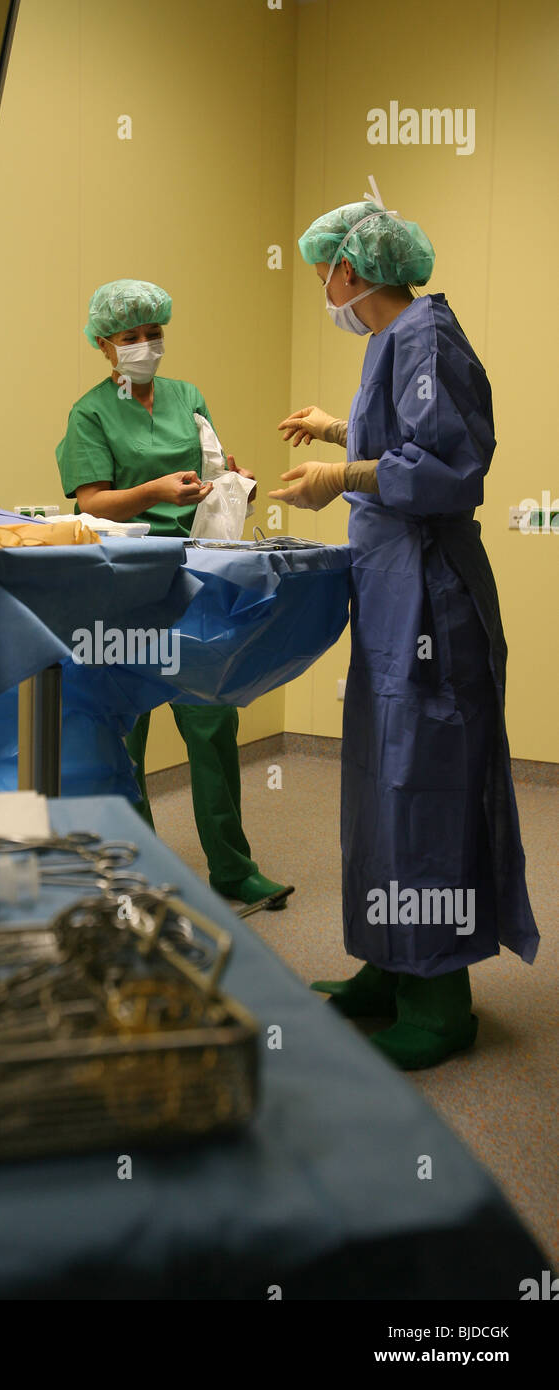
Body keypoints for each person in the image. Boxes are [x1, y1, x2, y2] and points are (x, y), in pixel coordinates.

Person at [272, 198, 538, 1068]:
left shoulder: (426, 335)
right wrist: (340, 429)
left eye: (324, 274)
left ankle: (438, 996)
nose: (324, 288)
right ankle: (387, 961)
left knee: (425, 786)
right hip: (393, 597)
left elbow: (449, 469)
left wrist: (340, 472)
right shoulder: (396, 342)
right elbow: (410, 438)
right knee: (379, 779)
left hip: (432, 604)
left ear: (349, 272)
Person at [56, 278, 293, 908]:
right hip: (124, 581)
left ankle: (234, 869)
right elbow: (91, 501)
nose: (143, 346)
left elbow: (213, 464)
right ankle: (140, 875)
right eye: (129, 338)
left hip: (195, 576)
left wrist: (230, 478)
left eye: (152, 334)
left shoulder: (187, 396)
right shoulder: (90, 413)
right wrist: (154, 492)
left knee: (212, 721)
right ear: (104, 345)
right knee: (125, 730)